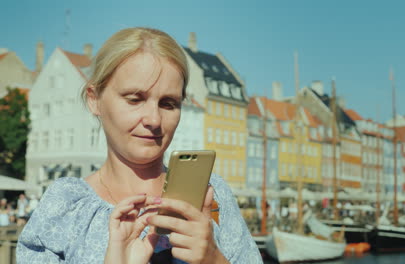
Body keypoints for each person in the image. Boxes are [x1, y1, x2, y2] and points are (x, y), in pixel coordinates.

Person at [17, 27, 262, 264]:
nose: (154, 120)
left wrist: (213, 260)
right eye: (135, 99)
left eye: (168, 103)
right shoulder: (67, 205)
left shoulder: (212, 196)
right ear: (95, 100)